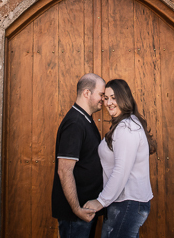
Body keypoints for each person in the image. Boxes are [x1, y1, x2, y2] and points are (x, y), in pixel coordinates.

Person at [82, 79, 156, 238]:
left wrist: (101, 201)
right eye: (106, 98)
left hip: (128, 203)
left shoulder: (126, 128)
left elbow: (121, 170)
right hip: (125, 202)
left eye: (114, 97)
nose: (108, 102)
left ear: (124, 98)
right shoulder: (125, 124)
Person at [52, 73, 106, 238]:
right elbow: (64, 170)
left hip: (86, 212)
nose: (103, 100)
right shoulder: (75, 123)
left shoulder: (86, 120)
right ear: (87, 93)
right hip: (75, 215)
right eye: (101, 94)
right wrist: (76, 209)